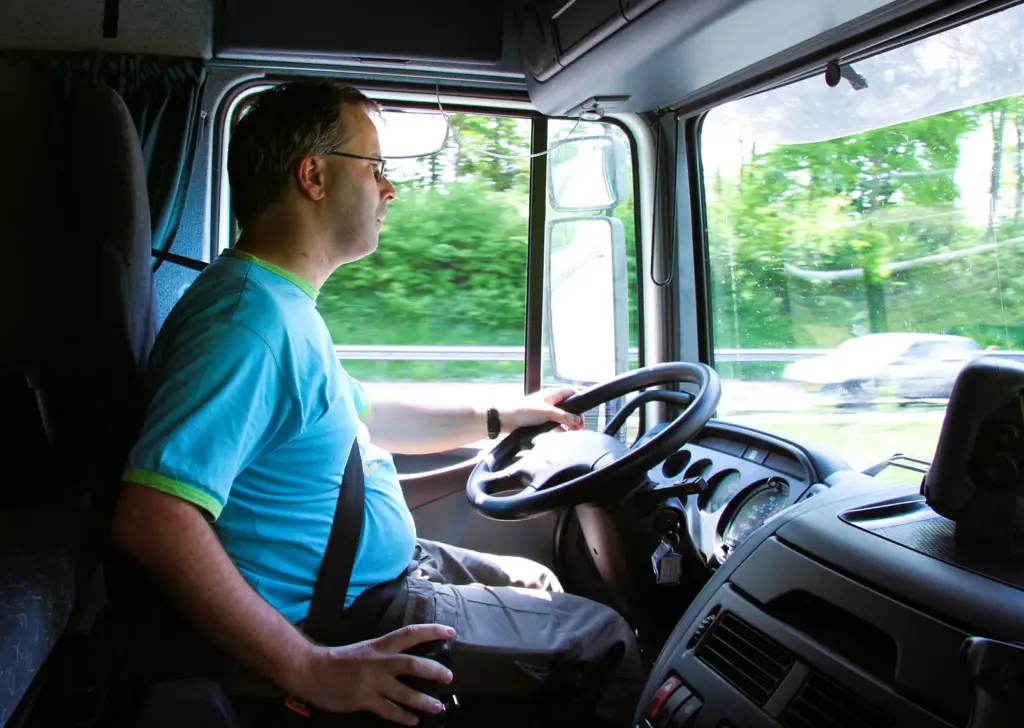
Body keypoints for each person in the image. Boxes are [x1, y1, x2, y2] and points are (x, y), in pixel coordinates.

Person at [111, 80, 644, 728]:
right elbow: (153, 515)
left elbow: (364, 418)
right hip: (345, 618)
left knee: (542, 583)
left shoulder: (278, 302)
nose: (388, 189)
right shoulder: (248, 328)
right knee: (607, 642)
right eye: (374, 169)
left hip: (381, 579)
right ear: (313, 175)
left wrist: (504, 416)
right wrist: (310, 668)